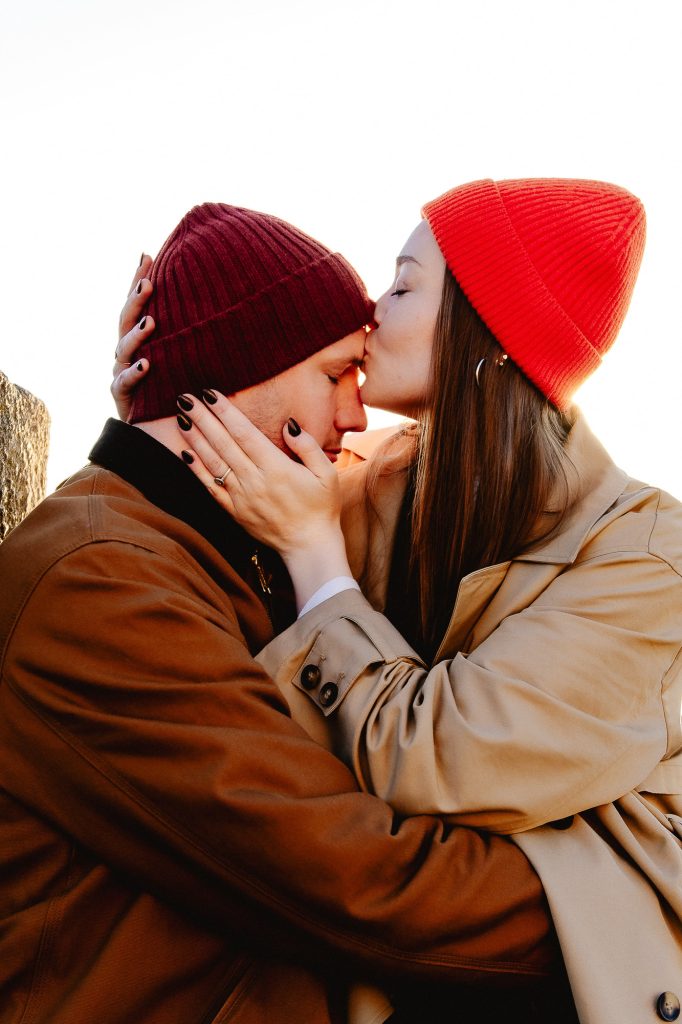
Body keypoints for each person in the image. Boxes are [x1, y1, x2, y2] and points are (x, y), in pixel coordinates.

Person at [0, 201, 576, 1024]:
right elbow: (349, 876)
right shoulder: (99, 581)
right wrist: (608, 896)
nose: (355, 415)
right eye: (337, 372)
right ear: (239, 368)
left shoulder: (217, 546)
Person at [138, 180, 682, 1024]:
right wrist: (160, 390)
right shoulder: (385, 481)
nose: (369, 307)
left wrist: (320, 559)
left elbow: (444, 760)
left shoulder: (648, 560)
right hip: (394, 953)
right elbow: (235, 509)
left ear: (487, 332)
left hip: (568, 975)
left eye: (400, 285)